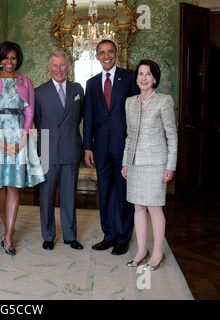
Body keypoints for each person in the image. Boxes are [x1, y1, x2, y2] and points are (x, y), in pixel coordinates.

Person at [0, 41, 45, 255]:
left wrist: (24, 138)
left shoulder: (26, 81)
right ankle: (7, 226)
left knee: (13, 186)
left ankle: (8, 234)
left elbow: (30, 113)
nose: (9, 62)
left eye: (13, 57)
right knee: (0, 186)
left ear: (18, 59)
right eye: (5, 57)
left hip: (19, 136)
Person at [83, 39, 140, 255]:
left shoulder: (129, 77)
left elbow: (136, 112)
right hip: (101, 148)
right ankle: (108, 235)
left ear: (116, 53)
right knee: (105, 191)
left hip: (124, 146)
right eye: (101, 53)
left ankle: (123, 238)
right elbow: (88, 117)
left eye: (109, 52)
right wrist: (87, 146)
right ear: (96, 57)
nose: (106, 56)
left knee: (123, 192)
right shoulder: (92, 83)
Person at [122, 59, 177, 271]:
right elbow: (129, 135)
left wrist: (170, 165)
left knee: (154, 207)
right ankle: (141, 251)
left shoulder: (164, 100)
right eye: (140, 74)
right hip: (135, 163)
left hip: (156, 162)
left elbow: (171, 135)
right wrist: (126, 162)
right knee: (138, 207)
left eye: (148, 74)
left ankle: (157, 254)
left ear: (154, 78)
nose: (144, 78)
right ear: (136, 78)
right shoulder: (130, 102)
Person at [34, 50, 85, 251]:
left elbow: (79, 117)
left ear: (68, 66)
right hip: (47, 147)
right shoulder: (39, 92)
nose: (59, 69)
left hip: (71, 147)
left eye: (62, 65)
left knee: (69, 194)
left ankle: (70, 236)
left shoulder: (78, 90)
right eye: (54, 65)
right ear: (49, 68)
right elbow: (38, 121)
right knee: (46, 195)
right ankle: (48, 235)